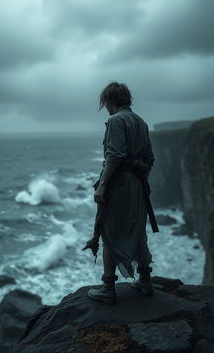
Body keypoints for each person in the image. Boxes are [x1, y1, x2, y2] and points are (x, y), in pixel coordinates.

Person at [85, 81, 158, 304]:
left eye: (105, 102)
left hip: (119, 185)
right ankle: (145, 281)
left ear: (110, 100)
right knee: (137, 231)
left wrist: (104, 185)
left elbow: (114, 156)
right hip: (137, 185)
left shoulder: (116, 121)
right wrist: (138, 180)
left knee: (110, 233)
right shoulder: (141, 122)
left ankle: (108, 288)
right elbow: (149, 159)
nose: (105, 107)